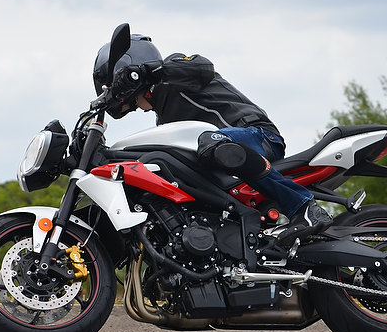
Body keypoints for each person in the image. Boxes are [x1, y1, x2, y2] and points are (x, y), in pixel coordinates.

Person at [93, 33, 332, 245]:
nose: (137, 107)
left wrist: (146, 72)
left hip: (258, 135)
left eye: (134, 101)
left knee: (210, 142)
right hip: (223, 156)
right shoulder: (165, 118)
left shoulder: (174, 69)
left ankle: (305, 207)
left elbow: (203, 67)